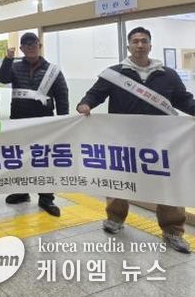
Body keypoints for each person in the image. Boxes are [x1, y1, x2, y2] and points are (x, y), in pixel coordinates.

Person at [77, 27, 195, 253]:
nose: (140, 45)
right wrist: (85, 104)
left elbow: (183, 99)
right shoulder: (114, 74)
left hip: (161, 142)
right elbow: (95, 94)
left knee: (167, 183)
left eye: (144, 41)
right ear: (128, 46)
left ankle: (173, 231)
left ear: (150, 45)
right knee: (120, 180)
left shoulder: (167, 75)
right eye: (135, 41)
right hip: (124, 139)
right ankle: (115, 218)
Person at [0, 32, 69, 217]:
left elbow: (62, 97)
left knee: (44, 161)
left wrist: (63, 122)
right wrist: (7, 59)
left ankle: (46, 198)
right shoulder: (14, 67)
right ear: (21, 48)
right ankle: (22, 191)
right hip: (19, 121)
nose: (31, 47)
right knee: (21, 158)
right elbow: (2, 79)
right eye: (26, 45)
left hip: (44, 123)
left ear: (40, 45)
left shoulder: (53, 70)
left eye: (34, 44)